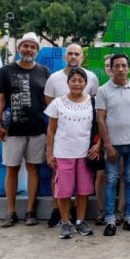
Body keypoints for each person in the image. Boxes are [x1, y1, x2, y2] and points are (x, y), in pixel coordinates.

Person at [0, 32, 51, 228]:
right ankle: (10, 212)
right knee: (12, 169)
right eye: (25, 46)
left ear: (37, 51)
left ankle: (30, 211)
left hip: (38, 129)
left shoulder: (44, 71)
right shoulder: (6, 70)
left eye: (33, 47)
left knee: (34, 169)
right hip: (12, 130)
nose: (29, 50)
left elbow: (48, 101)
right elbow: (0, 99)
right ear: (18, 48)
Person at [43, 44, 100, 228]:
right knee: (64, 190)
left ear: (86, 83)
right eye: (73, 80)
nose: (77, 83)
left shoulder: (92, 101)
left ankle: (80, 221)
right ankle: (65, 221)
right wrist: (49, 153)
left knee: (83, 190)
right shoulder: (57, 99)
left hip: (84, 153)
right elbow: (51, 129)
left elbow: (98, 125)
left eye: (80, 81)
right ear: (67, 83)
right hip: (63, 153)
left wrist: (98, 145)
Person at [96, 53, 130, 236]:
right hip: (113, 145)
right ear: (111, 68)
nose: (120, 69)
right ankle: (110, 220)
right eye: (116, 65)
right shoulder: (103, 90)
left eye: (124, 65)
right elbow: (101, 119)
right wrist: (108, 145)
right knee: (111, 180)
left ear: (129, 68)